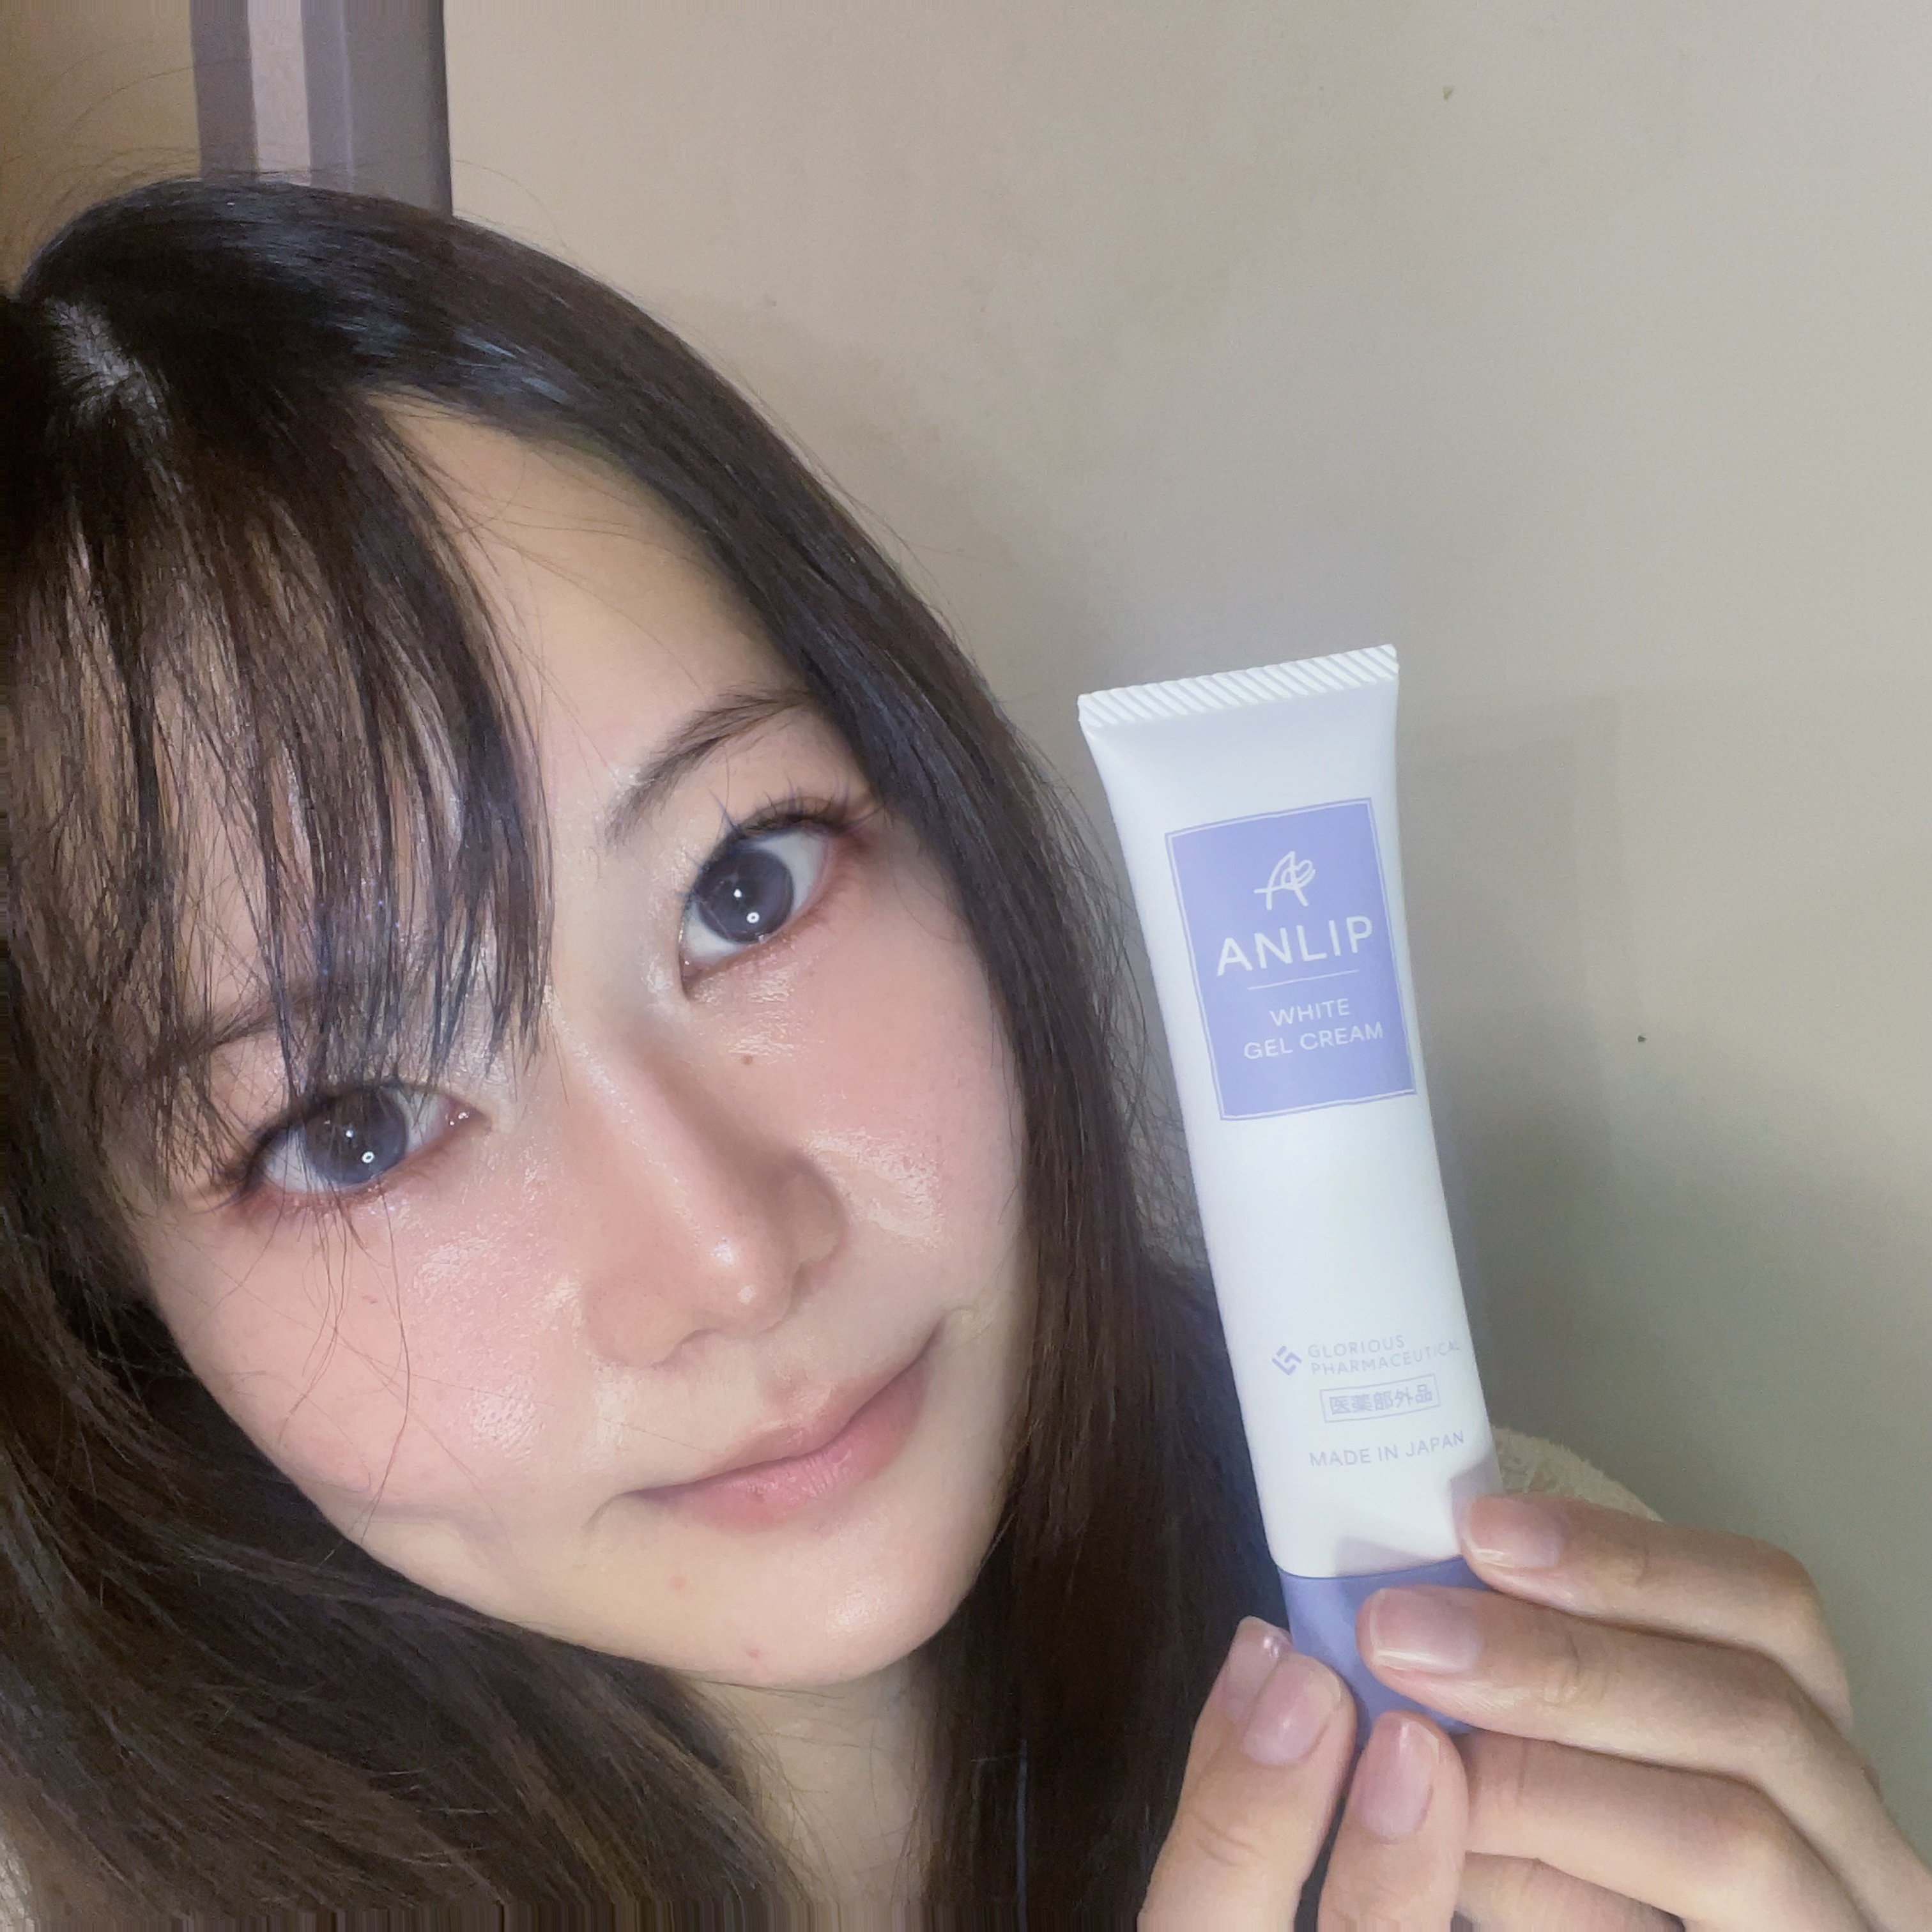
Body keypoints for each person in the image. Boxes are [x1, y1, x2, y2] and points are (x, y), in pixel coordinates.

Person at [2, 179, 1925, 1927]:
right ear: (95, 1264)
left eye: (746, 888)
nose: (733, 1259)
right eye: (351, 1126)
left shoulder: (1483, 1623)